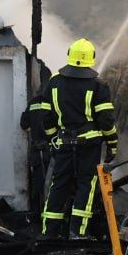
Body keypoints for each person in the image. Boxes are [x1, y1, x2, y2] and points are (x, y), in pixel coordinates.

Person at [29, 38, 118, 238]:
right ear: (91, 58)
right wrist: (112, 144)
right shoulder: (98, 86)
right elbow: (106, 120)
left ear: (70, 55)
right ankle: (78, 232)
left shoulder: (54, 83)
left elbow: (46, 117)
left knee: (59, 184)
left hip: (64, 144)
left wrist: (53, 139)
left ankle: (49, 232)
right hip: (89, 146)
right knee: (86, 185)